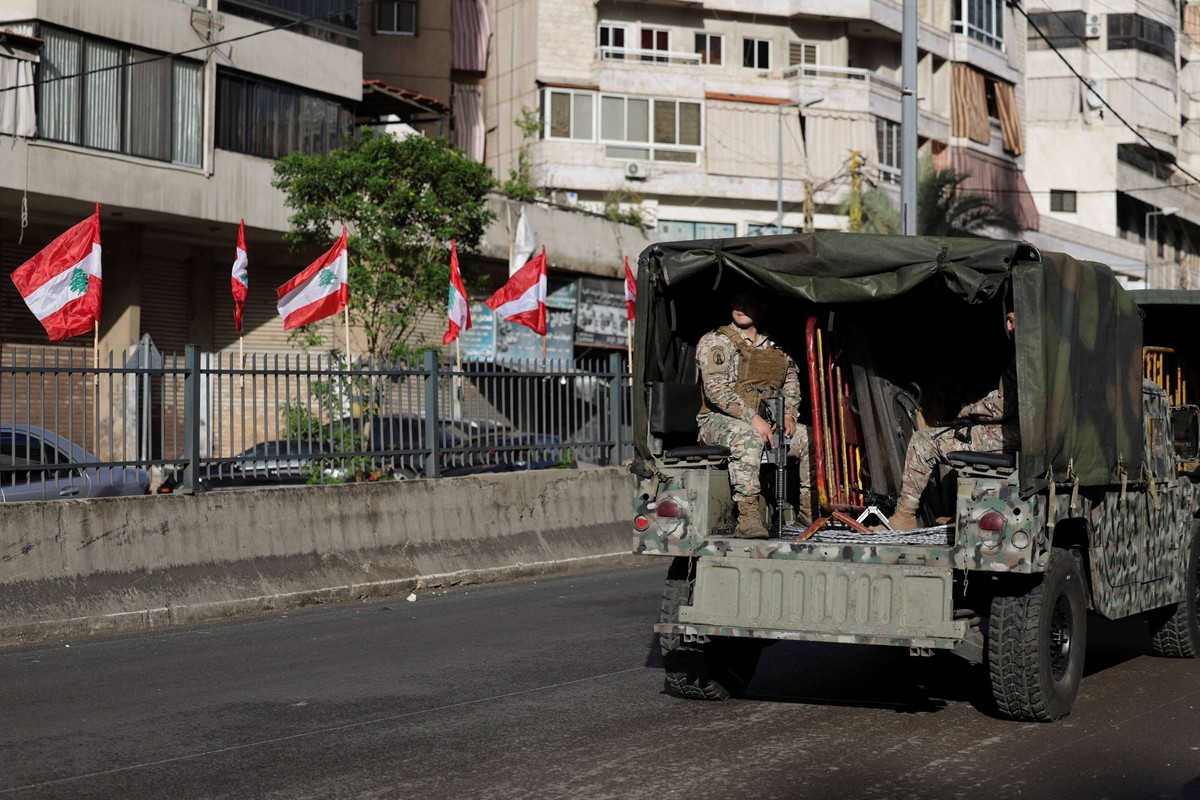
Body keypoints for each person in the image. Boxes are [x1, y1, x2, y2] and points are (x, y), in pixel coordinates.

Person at [886, 310, 1019, 531]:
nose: (1009, 327)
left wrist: (968, 411)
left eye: (1014, 320)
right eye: (1008, 320)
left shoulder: (1028, 356)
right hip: (1025, 435)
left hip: (1014, 435)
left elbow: (1000, 406)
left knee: (924, 441)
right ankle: (961, 512)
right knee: (959, 440)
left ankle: (904, 517)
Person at [696, 289, 812, 539]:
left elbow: (791, 383)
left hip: (767, 421)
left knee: (811, 438)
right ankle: (748, 519)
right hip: (717, 422)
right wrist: (753, 419)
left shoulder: (775, 346)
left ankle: (808, 515)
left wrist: (789, 415)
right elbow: (716, 391)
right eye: (737, 300)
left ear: (762, 307)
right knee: (748, 437)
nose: (741, 305)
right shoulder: (716, 341)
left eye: (748, 301)